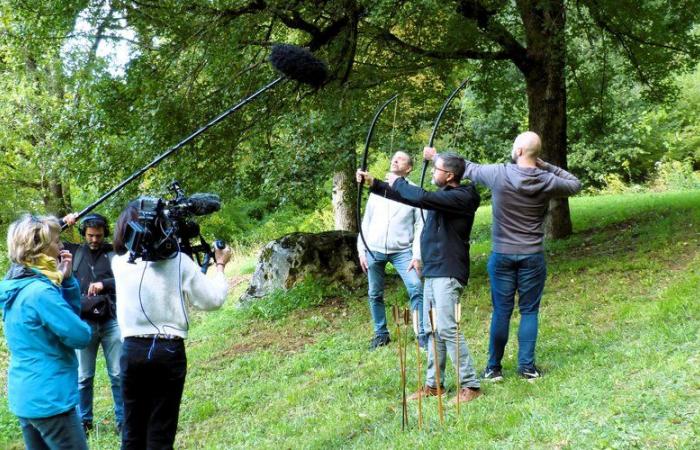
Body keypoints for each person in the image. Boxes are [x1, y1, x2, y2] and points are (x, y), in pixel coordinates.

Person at [425, 131, 582, 381]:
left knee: (502, 311)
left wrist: (436, 158)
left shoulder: (499, 173)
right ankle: (527, 368)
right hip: (532, 255)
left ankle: (493, 368)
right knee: (529, 311)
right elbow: (575, 183)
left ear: (519, 151)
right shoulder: (546, 179)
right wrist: (544, 164)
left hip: (502, 255)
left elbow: (463, 168)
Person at [357, 152, 482, 404]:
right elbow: (412, 199)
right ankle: (434, 385)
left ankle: (471, 385)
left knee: (447, 327)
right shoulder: (444, 197)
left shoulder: (463, 196)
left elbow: (420, 196)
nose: (433, 172)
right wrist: (376, 184)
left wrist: (397, 180)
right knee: (433, 329)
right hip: (434, 270)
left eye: (436, 169)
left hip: (449, 270)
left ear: (449, 175)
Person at [111, 204, 231, 449]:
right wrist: (219, 265)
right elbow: (213, 300)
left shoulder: (119, 264)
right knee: (160, 432)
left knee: (132, 432)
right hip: (168, 351)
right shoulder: (180, 263)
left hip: (132, 350)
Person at [0, 214, 92, 449]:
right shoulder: (41, 293)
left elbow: (64, 319)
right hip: (50, 398)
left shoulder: (16, 284)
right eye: (56, 240)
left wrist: (68, 281)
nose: (61, 245)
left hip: (25, 396)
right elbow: (80, 336)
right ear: (39, 247)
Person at [62, 212, 123, 434]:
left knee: (117, 374)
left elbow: (128, 277)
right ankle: (83, 422)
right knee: (83, 377)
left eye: (98, 236)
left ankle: (123, 421)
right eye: (90, 235)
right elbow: (45, 238)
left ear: (104, 234)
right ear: (83, 234)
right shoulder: (75, 252)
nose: (94, 240)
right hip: (84, 323)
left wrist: (103, 284)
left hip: (111, 321)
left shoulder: (114, 253)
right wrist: (63, 221)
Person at [358, 151, 426, 350]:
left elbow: (421, 226)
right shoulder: (378, 188)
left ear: (409, 168)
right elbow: (366, 221)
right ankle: (381, 334)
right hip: (374, 249)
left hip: (402, 251)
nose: (395, 160)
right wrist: (362, 250)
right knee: (374, 293)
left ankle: (421, 333)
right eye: (394, 157)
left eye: (401, 159)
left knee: (416, 287)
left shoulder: (414, 192)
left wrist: (417, 255)